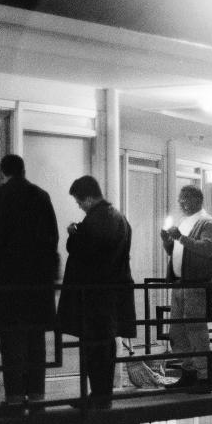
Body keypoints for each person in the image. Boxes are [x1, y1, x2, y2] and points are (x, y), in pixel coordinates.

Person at [0, 154, 59, 413]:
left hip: (6, 284)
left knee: (12, 342)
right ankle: (38, 397)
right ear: (23, 170)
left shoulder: (0, 200)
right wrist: (51, 276)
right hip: (37, 285)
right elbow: (52, 239)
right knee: (35, 342)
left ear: (3, 172)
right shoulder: (41, 198)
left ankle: (15, 397)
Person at [57, 175, 135, 409]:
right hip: (113, 294)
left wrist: (73, 234)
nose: (79, 206)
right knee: (107, 345)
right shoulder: (120, 219)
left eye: (79, 201)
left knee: (93, 349)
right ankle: (104, 395)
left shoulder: (95, 221)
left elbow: (84, 253)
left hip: (92, 297)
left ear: (88, 198)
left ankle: (98, 396)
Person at [160, 184, 212, 392]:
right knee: (178, 331)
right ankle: (188, 372)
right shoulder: (185, 223)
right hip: (179, 285)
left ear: (197, 200)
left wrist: (180, 238)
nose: (181, 203)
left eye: (184, 199)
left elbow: (207, 248)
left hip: (195, 286)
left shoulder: (207, 223)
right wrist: (168, 242)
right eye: (180, 199)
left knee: (195, 330)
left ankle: (204, 376)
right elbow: (179, 252)